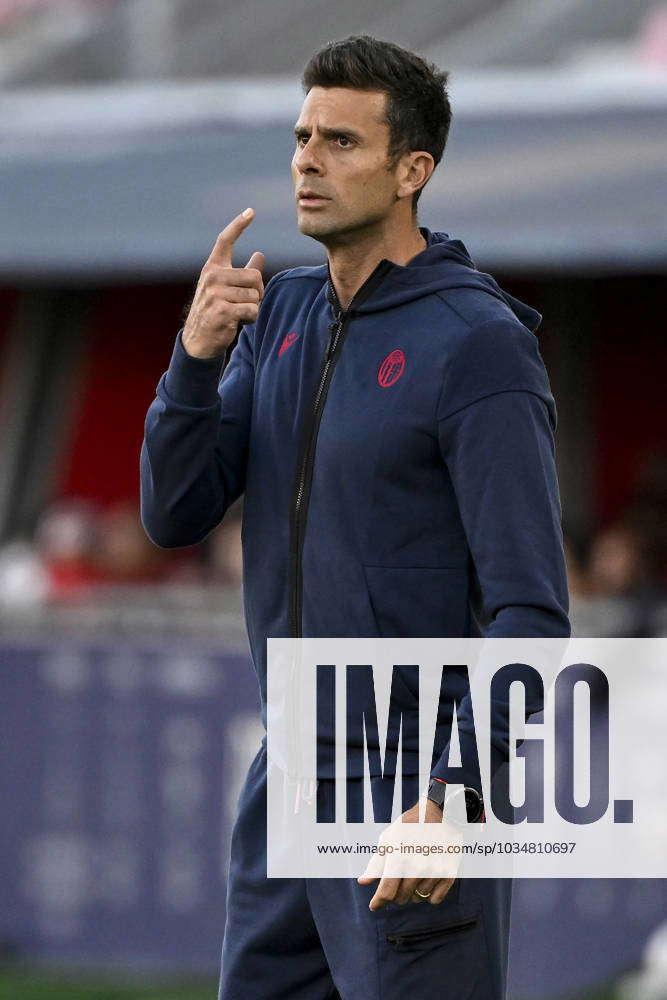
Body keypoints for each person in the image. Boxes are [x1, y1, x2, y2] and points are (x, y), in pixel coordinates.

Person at [140, 35, 569, 1000]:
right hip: (287, 776)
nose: (305, 160)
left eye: (340, 141)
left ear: (412, 171)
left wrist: (456, 796)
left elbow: (531, 614)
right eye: (300, 137)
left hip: (412, 789)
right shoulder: (278, 316)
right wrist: (196, 358)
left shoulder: (478, 345)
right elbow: (172, 514)